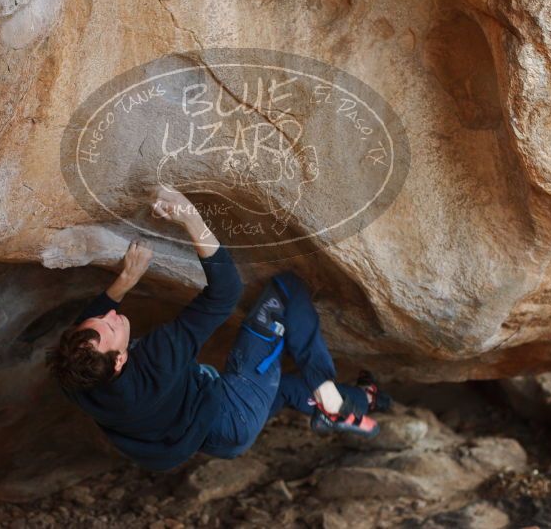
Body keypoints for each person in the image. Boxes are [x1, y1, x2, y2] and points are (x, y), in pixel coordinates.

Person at [46, 187, 391, 471]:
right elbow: (224, 293)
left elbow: (86, 331)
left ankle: (362, 400)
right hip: (231, 413)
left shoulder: (77, 375)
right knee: (287, 292)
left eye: (101, 318)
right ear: (120, 362)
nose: (111, 315)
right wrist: (190, 217)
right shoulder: (157, 360)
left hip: (210, 439)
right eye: (110, 326)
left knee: (283, 389)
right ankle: (327, 393)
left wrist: (124, 281)